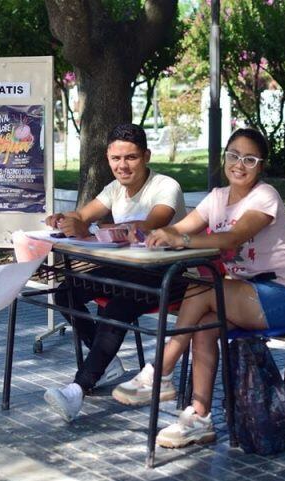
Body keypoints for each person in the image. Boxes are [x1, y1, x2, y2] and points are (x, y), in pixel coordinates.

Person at [111, 127, 285, 448]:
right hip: (242, 294)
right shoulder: (217, 198)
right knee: (204, 324)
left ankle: (159, 373)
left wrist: (182, 239)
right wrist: (153, 234)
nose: (239, 165)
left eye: (250, 159)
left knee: (202, 289)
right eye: (234, 156)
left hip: (284, 295)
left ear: (261, 165)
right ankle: (199, 418)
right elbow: (178, 228)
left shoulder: (265, 196)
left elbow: (232, 238)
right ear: (224, 158)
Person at [43, 123, 186, 422]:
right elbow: (83, 215)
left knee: (120, 304)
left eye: (131, 157)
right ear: (108, 158)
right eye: (116, 159)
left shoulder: (165, 186)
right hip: (126, 270)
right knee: (65, 292)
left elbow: (149, 225)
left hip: (170, 274)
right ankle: (104, 362)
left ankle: (78, 389)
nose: (123, 166)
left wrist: (89, 228)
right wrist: (63, 219)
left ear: (146, 156)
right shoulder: (113, 189)